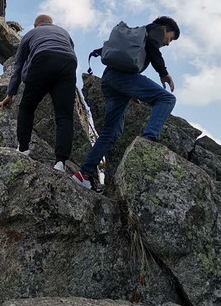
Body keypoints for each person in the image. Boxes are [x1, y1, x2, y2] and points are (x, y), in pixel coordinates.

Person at [72, 16, 179, 192]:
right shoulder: (156, 29)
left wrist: (132, 91)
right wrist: (163, 73)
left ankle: (83, 174)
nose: (167, 43)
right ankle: (148, 139)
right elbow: (153, 47)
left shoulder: (136, 34)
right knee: (167, 99)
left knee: (111, 133)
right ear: (165, 28)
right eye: (170, 38)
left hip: (110, 79)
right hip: (123, 78)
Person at [0, 14, 77, 171]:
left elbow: (18, 66)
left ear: (35, 25)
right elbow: (70, 50)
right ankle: (61, 162)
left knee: (27, 107)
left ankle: (23, 149)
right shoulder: (63, 32)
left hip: (43, 58)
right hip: (69, 62)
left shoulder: (30, 35)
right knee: (65, 116)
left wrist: (10, 93)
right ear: (51, 23)